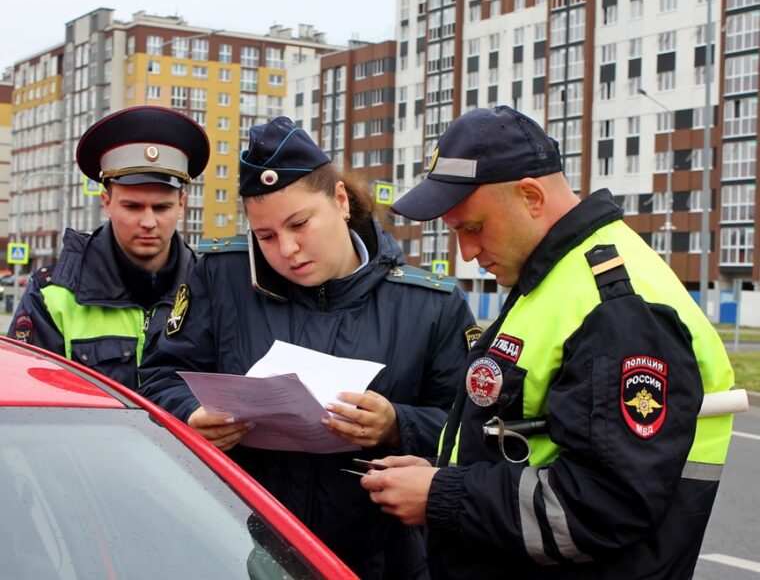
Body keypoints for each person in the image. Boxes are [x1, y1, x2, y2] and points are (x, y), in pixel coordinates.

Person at [360, 105, 736, 579]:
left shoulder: (614, 304)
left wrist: (443, 496)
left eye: (472, 228)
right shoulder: (556, 276)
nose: (468, 253)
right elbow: (534, 443)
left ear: (531, 196)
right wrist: (440, 475)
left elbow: (606, 504)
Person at [138, 116, 478, 578]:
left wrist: (397, 425)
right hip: (234, 549)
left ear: (339, 200)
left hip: (376, 560)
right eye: (266, 236)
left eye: (300, 223)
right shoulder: (221, 278)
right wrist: (190, 416)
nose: (288, 249)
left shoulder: (428, 303)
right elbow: (159, 378)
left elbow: (469, 429)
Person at [8, 106, 209, 391]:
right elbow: (32, 409)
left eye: (161, 207)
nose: (148, 222)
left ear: (182, 205)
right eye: (133, 206)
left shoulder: (210, 287)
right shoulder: (54, 296)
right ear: (107, 202)